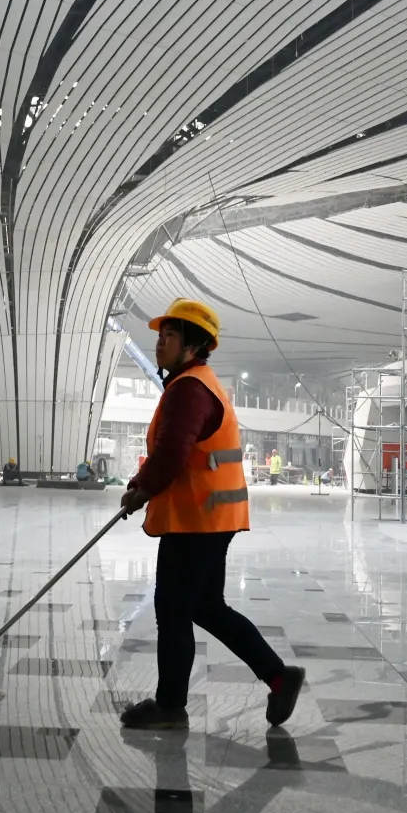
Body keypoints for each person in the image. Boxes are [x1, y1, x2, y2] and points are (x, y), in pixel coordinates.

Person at [116, 298, 305, 732]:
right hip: (209, 518)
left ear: (193, 344)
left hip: (196, 521)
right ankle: (279, 677)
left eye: (169, 336)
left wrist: (141, 490)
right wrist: (142, 485)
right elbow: (174, 452)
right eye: (160, 335)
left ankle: (170, 707)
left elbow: (172, 455)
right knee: (204, 605)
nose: (159, 342)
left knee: (173, 611)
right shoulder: (196, 383)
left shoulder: (190, 389)